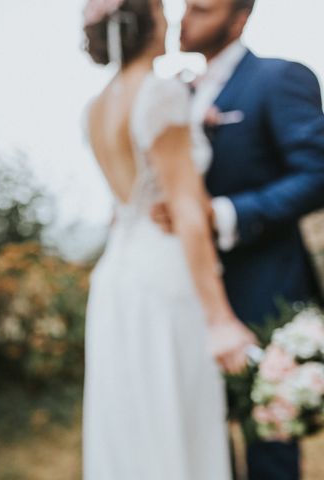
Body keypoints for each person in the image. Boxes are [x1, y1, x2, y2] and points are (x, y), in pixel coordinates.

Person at [81, 0, 256, 478]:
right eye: (161, 10)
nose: (170, 19)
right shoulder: (159, 92)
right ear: (143, 22)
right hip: (165, 277)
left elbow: (125, 206)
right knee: (180, 416)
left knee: (135, 420)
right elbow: (185, 208)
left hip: (117, 277)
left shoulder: (96, 106)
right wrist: (220, 318)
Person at [150, 1, 324, 478]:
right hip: (186, 292)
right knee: (201, 438)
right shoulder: (173, 96)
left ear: (239, 18)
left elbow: (317, 174)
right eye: (186, 7)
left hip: (265, 288)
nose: (186, 19)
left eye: (203, 9)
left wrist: (227, 212)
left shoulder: (279, 78)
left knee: (269, 445)